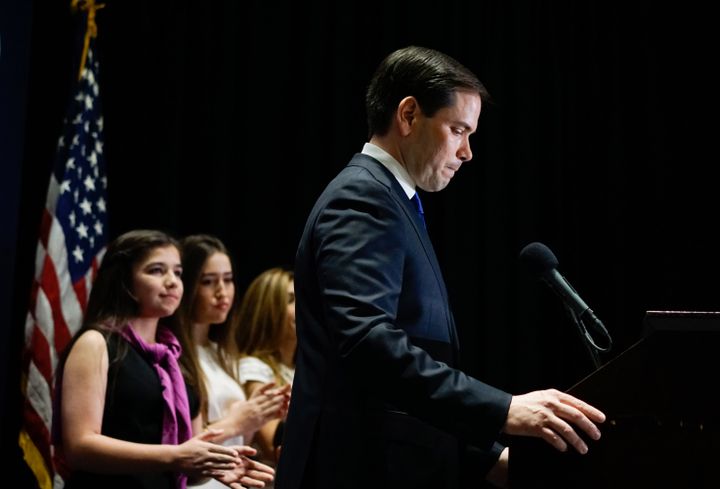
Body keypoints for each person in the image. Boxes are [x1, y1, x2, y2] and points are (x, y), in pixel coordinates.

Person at [274, 46, 606, 489]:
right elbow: (367, 344)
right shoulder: (363, 199)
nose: (467, 152)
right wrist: (503, 409)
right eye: (458, 130)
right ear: (409, 115)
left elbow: (395, 387)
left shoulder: (393, 200)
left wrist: (485, 456)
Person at [55, 229, 274, 489]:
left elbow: (189, 459)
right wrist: (176, 456)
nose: (172, 281)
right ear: (125, 281)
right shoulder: (96, 343)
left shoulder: (175, 358)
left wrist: (216, 463)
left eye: (178, 272)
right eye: (157, 270)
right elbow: (79, 446)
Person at [175, 234, 290, 489]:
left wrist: (261, 415)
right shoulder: (174, 354)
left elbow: (240, 442)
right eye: (208, 282)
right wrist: (238, 421)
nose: (222, 292)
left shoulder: (223, 354)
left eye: (228, 280)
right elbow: (180, 445)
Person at [234, 267, 296, 464]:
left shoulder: (299, 368)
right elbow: (273, 445)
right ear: (269, 310)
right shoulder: (254, 368)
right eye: (291, 300)